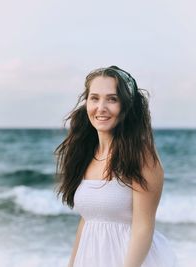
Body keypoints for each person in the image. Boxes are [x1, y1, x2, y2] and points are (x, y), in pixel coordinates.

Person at [55, 66, 177, 267]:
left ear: (126, 106)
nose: (101, 107)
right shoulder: (85, 153)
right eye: (94, 98)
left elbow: (143, 227)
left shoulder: (141, 154)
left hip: (131, 260)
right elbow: (88, 220)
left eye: (112, 99)